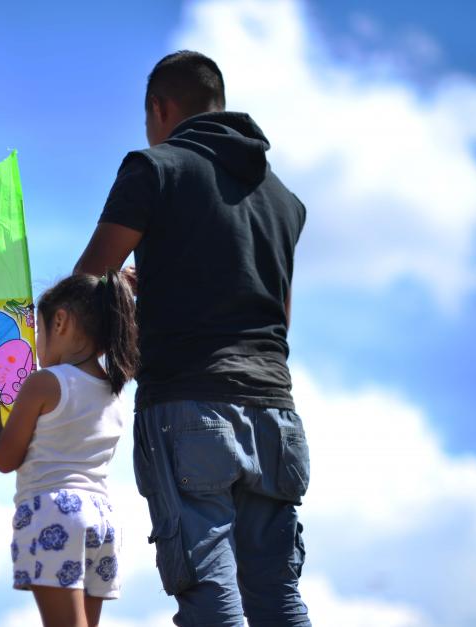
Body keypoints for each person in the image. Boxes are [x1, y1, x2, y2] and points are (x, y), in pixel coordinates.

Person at [73, 50, 311, 626]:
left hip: (189, 405)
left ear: (159, 107)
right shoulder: (284, 201)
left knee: (210, 598)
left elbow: (88, 286)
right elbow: (272, 316)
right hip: (275, 415)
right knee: (278, 597)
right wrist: (153, 288)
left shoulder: (156, 166)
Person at [0, 271, 138, 627]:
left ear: (60, 322)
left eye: (38, 335)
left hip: (53, 512)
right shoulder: (115, 392)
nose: (37, 348)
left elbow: (5, 459)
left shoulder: (44, 383)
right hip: (102, 519)